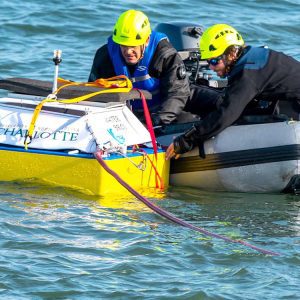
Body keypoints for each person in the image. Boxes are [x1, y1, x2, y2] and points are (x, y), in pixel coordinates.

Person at [166, 23, 300, 160]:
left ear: (231, 54)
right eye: (208, 61)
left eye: (214, 61)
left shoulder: (248, 72)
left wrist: (188, 140)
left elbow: (227, 113)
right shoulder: (254, 56)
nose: (211, 67)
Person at [88, 9, 190, 126]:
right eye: (124, 46)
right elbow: (94, 93)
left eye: (133, 46)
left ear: (146, 40)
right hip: (120, 118)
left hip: (158, 117)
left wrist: (153, 122)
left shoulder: (165, 55)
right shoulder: (105, 56)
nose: (128, 51)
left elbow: (177, 94)